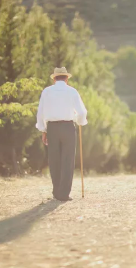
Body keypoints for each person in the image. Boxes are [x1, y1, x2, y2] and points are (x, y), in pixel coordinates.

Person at [36, 67, 88, 201]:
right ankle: (64, 194)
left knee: (54, 160)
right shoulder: (72, 91)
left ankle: (56, 192)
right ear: (66, 79)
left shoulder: (47, 92)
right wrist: (79, 121)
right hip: (68, 128)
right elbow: (82, 113)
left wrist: (43, 130)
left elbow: (40, 113)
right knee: (67, 160)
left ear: (54, 79)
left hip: (52, 128)